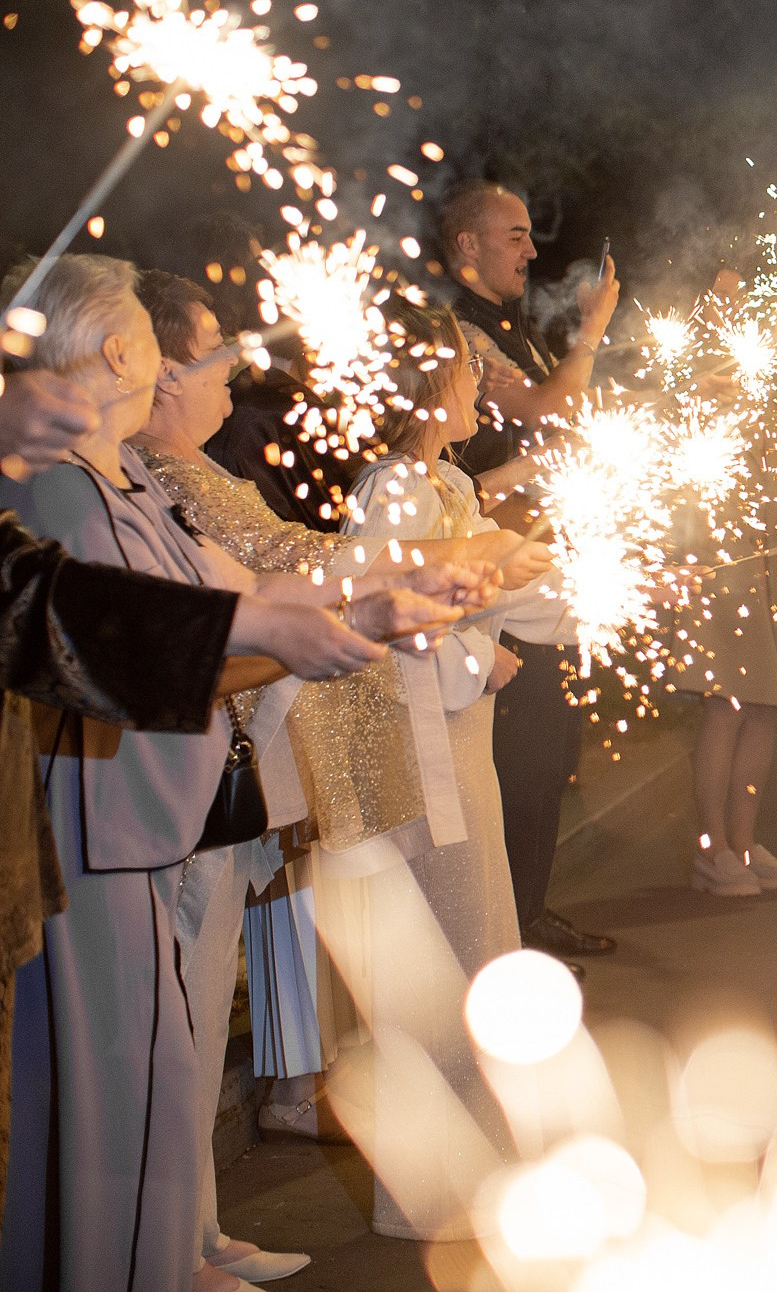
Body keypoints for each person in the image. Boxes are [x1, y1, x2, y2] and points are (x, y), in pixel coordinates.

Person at [0, 257, 467, 1292]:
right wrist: (310, 629)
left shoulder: (116, 483)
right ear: (121, 351)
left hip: (137, 831)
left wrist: (377, 598)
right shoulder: (62, 492)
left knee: (152, 1097)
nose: (205, 366)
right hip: (91, 838)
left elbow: (234, 596)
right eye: (164, 339)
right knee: (100, 1121)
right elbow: (115, 645)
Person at [131, 271, 535, 1281]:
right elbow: (279, 568)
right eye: (214, 352)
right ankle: (169, 1249)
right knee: (177, 1022)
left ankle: (198, 1233)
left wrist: (458, 565)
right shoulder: (155, 479)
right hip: (193, 776)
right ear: (161, 369)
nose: (235, 372)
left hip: (238, 773)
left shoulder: (192, 472)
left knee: (196, 1016)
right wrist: (425, 578)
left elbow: (293, 558)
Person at [335, 301, 571, 1240]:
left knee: (477, 943)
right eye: (470, 367)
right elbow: (386, 617)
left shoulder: (448, 482)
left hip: (462, 744)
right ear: (435, 382)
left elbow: (496, 593)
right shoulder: (394, 489)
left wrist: (584, 596)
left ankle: (473, 1172)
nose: (482, 381)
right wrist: (481, 659)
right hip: (421, 749)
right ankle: (430, 1195)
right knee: (441, 956)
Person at [438, 179, 621, 960]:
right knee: (518, 760)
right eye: (514, 235)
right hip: (496, 577)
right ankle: (503, 936)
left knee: (548, 757)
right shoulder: (455, 331)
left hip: (543, 563)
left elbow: (562, 417)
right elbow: (549, 412)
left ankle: (530, 911)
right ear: (467, 244)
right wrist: (592, 332)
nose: (531, 249)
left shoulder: (511, 331)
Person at [681, 271, 777, 898]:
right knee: (727, 701)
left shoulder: (759, 366)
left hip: (771, 551)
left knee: (766, 701)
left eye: (741, 295)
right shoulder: (685, 377)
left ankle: (742, 842)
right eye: (722, 295)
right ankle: (712, 849)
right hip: (722, 556)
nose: (734, 305)